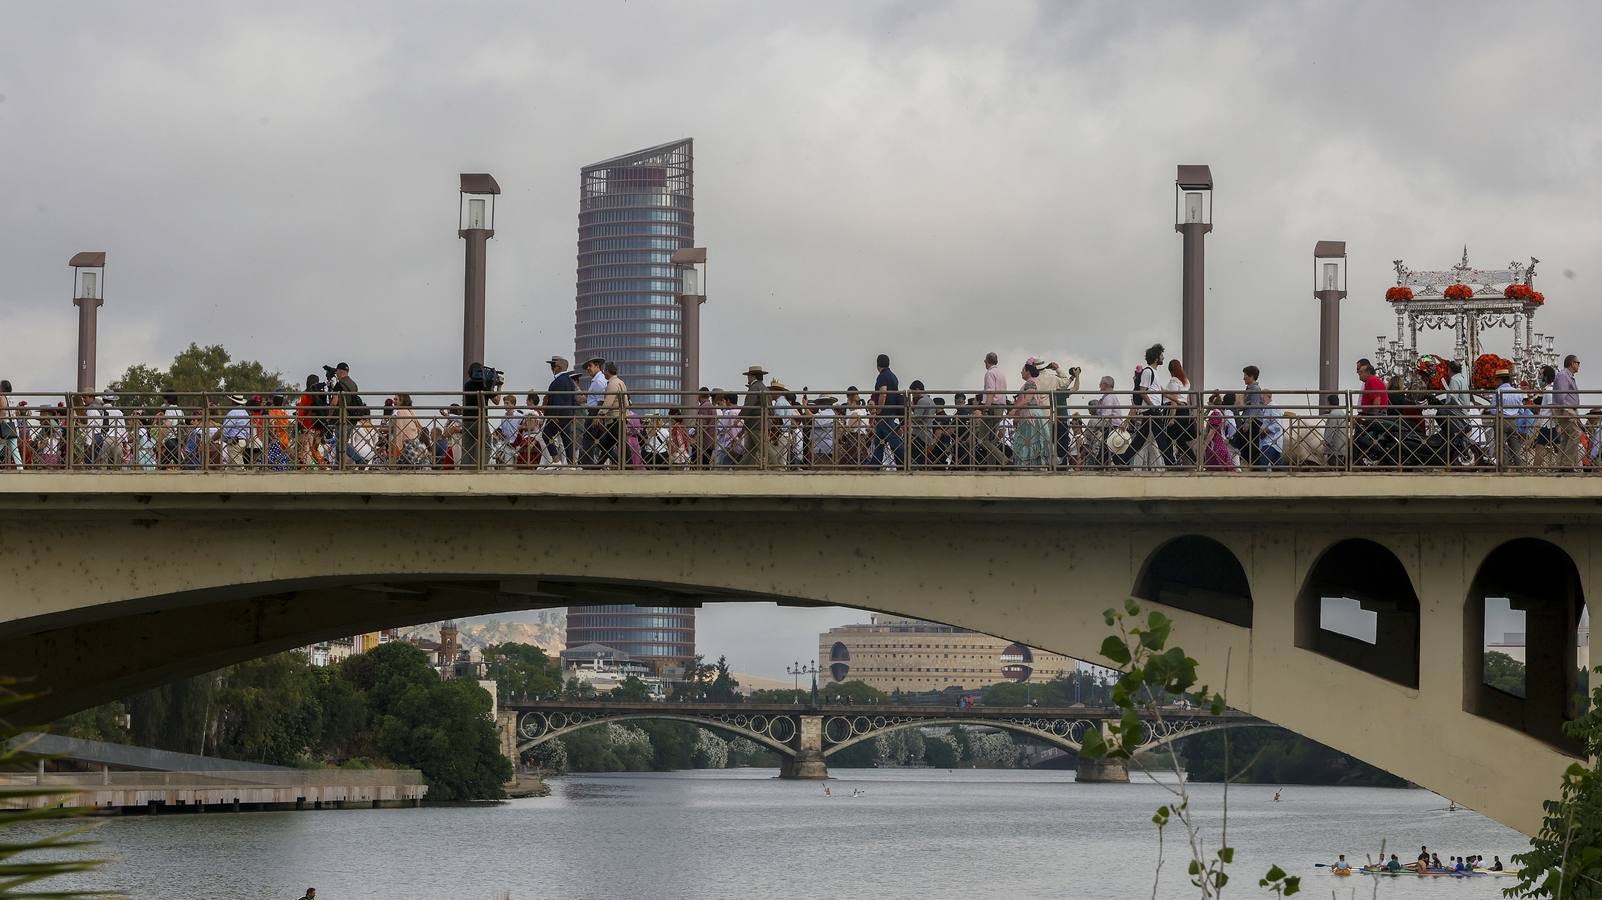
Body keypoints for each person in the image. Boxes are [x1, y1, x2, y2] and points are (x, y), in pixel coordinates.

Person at [1010, 363, 1051, 469]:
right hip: (1033, 414)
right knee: (1032, 439)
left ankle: (1030, 464)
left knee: (1028, 440)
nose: (1021, 372)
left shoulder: (1030, 383)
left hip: (1030, 415)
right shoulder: (1034, 381)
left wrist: (1014, 410)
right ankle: (1034, 464)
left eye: (1023, 370)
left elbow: (1027, 399)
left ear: (1028, 371)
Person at [870, 354, 905, 468]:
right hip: (891, 412)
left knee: (893, 440)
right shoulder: (893, 376)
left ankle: (905, 462)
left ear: (877, 364)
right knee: (879, 441)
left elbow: (883, 393)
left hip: (885, 413)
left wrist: (879, 409)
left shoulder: (882, 376)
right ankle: (875, 465)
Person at [543, 356, 578, 464]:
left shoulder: (558, 381)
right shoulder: (570, 381)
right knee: (567, 439)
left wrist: (553, 415)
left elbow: (557, 399)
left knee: (546, 434)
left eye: (552, 365)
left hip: (557, 416)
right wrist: (572, 414)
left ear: (557, 367)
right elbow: (573, 399)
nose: (551, 368)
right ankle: (571, 463)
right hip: (567, 415)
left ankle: (556, 459)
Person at [1553, 353, 1582, 470]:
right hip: (1566, 410)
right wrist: (1565, 409)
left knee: (1566, 437)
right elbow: (1561, 393)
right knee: (1576, 434)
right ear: (1572, 363)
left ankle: (1561, 464)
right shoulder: (1564, 375)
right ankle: (1567, 464)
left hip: (1568, 409)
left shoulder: (1567, 376)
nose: (1579, 365)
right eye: (1578, 363)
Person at [0, 380, 18, 470]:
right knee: (14, 449)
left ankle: (20, 467)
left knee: (2, 445)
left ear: (2, 388)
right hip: (13, 425)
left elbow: (2, 412)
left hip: (5, 425)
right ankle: (20, 468)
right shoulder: (12, 398)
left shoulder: (2, 397)